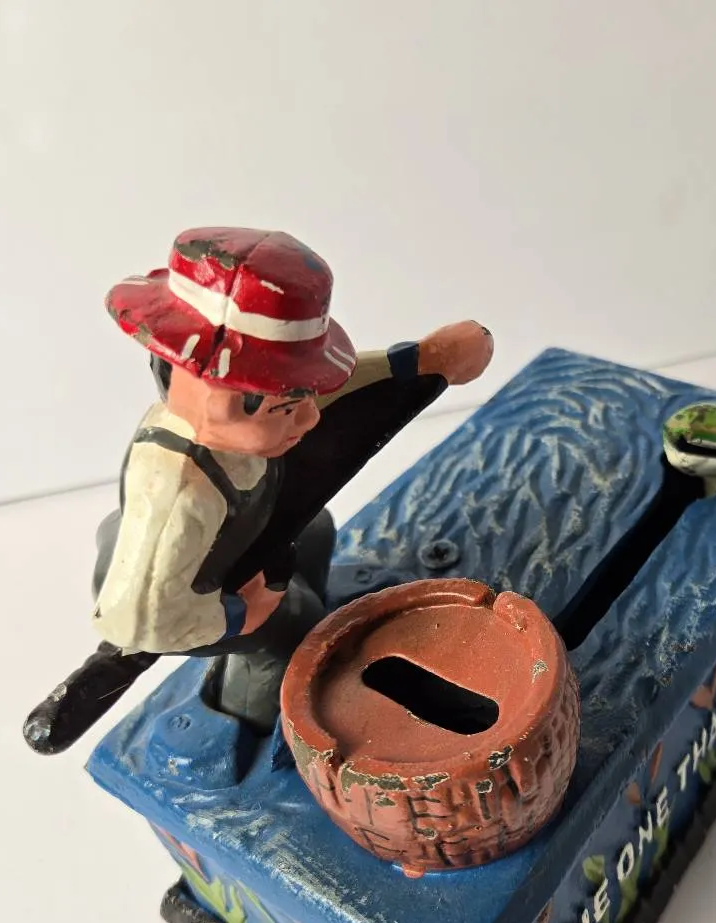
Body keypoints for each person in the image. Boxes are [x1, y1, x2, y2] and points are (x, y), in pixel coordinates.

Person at [92, 226, 493, 731]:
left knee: (315, 531)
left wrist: (421, 361)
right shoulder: (179, 498)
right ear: (210, 395)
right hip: (192, 596)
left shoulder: (240, 421)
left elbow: (331, 390)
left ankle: (309, 614)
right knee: (293, 626)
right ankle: (253, 719)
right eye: (283, 407)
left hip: (238, 543)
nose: (309, 418)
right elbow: (142, 619)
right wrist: (246, 611)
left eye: (302, 396)